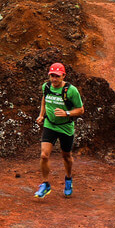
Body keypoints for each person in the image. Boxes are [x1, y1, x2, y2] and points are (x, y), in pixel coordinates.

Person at [35, 62, 84, 198]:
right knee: (44, 155)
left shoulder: (71, 91)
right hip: (50, 124)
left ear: (63, 76)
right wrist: (41, 115)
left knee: (66, 156)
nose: (54, 79)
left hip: (66, 127)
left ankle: (68, 179)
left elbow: (81, 110)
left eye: (57, 76)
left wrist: (66, 113)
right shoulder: (46, 86)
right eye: (52, 76)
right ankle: (45, 184)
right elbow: (44, 99)